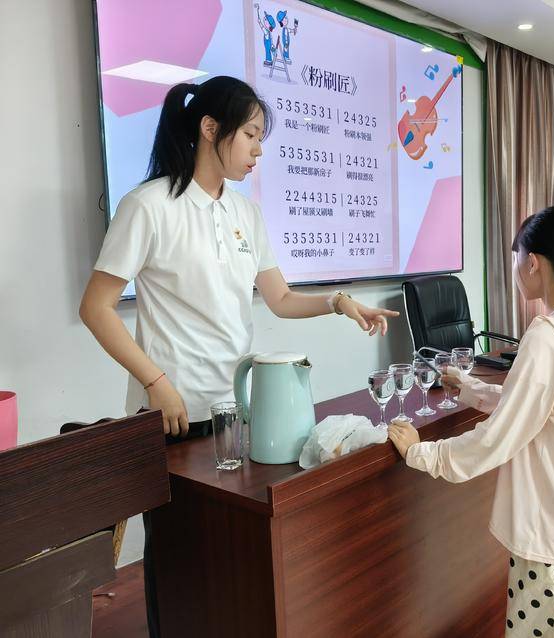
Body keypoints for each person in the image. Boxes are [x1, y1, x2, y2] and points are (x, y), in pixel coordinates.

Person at [79, 75, 399, 637]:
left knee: (229, 550)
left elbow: (280, 299)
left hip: (236, 411)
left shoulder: (245, 212)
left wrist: (339, 302)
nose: (258, 150)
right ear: (210, 128)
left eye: (260, 138)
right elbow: (96, 308)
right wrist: (155, 381)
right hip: (173, 416)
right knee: (178, 563)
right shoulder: (148, 206)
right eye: (250, 135)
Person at [388, 206, 554, 637]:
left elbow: (499, 438)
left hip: (551, 530)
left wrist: (423, 453)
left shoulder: (548, 336)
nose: (515, 268)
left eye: (516, 257)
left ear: (534, 263)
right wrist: (471, 388)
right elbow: (542, 407)